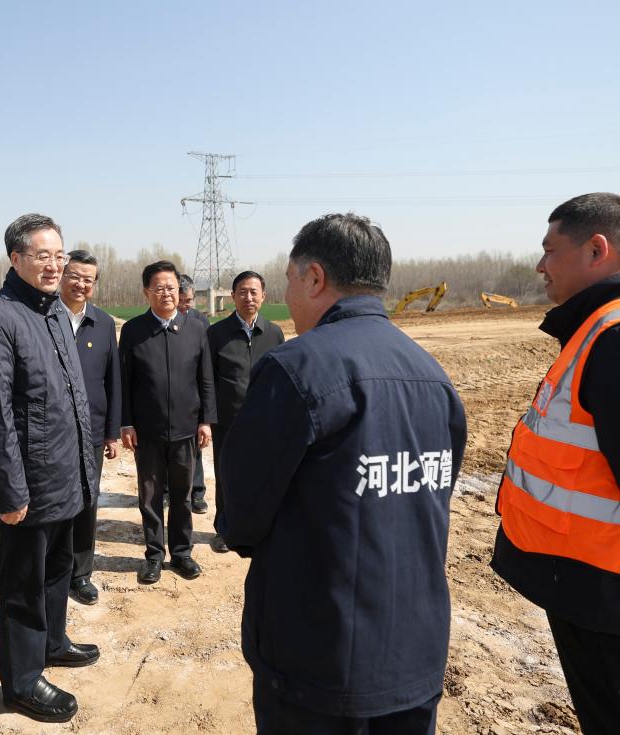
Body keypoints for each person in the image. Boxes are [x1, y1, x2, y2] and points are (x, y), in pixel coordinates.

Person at [218, 213, 466, 734]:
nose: (286, 295)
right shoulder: (432, 375)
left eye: (289, 280)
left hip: (319, 660)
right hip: (414, 653)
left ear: (314, 278)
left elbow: (240, 518)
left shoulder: (295, 368)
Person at [491, 192, 620, 735]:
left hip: (605, 598)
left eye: (550, 250)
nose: (540, 266)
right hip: (586, 588)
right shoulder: (592, 330)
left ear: (596, 250)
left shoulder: (613, 338)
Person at [0, 213, 100, 723]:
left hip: (67, 472)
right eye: (42, 255)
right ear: (16, 258)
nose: (54, 265)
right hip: (30, 481)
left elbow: (71, 397)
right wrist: (10, 491)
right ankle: (22, 682)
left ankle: (52, 642)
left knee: (59, 568)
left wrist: (85, 469)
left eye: (58, 255)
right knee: (23, 585)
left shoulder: (55, 312)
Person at [119, 261, 216, 585]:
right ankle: (154, 555)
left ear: (179, 290)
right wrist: (126, 423)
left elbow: (206, 379)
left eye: (171, 287)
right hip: (147, 432)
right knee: (149, 497)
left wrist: (206, 420)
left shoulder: (196, 328)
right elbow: (124, 381)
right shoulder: (133, 331)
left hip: (187, 429)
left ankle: (182, 552)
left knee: (182, 495)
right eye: (159, 288)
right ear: (146, 292)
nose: (166, 294)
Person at [59, 250, 121, 605]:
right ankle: (55, 567)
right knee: (54, 501)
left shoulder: (103, 323)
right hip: (52, 432)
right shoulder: (44, 318)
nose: (81, 284)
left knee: (87, 500)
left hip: (92, 432)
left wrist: (112, 432)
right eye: (75, 276)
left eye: (88, 279)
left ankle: (81, 573)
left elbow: (113, 380)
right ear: (62, 276)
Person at [206, 270, 284, 553]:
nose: (248, 297)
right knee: (226, 475)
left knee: (261, 475)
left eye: (254, 292)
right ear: (232, 296)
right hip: (227, 421)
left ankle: (257, 527)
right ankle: (224, 529)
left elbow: (280, 377)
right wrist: (208, 418)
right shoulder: (216, 333)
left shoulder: (274, 333)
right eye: (242, 292)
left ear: (263, 296)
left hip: (263, 420)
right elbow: (208, 379)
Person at [177, 274, 211, 514]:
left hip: (193, 394)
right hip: (168, 394)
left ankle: (197, 492)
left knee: (195, 447)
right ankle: (168, 491)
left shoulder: (200, 321)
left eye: (188, 300)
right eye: (181, 300)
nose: (184, 305)